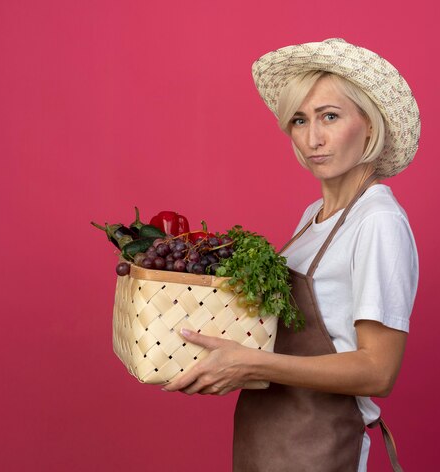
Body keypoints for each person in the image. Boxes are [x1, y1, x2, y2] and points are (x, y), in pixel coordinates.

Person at [163, 38, 420, 472]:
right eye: (299, 121)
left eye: (330, 117)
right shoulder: (314, 216)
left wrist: (250, 363)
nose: (312, 138)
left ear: (370, 127)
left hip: (316, 444)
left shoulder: (377, 221)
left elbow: (378, 370)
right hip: (267, 436)